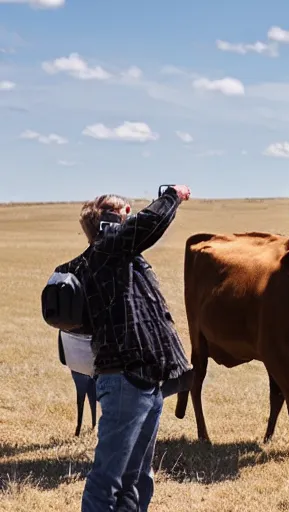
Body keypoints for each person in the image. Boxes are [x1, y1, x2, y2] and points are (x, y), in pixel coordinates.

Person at [54, 185, 194, 511]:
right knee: (108, 479)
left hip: (146, 381)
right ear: (110, 221)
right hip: (124, 384)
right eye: (122, 211)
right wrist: (171, 195)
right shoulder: (105, 253)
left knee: (137, 477)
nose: (129, 213)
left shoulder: (120, 259)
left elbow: (135, 235)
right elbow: (144, 227)